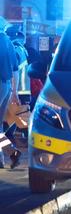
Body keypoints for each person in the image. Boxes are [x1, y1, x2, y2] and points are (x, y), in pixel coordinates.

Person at [0, 18, 21, 169]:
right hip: (6, 86)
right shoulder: (8, 42)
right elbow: (15, 69)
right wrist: (15, 92)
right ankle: (10, 155)